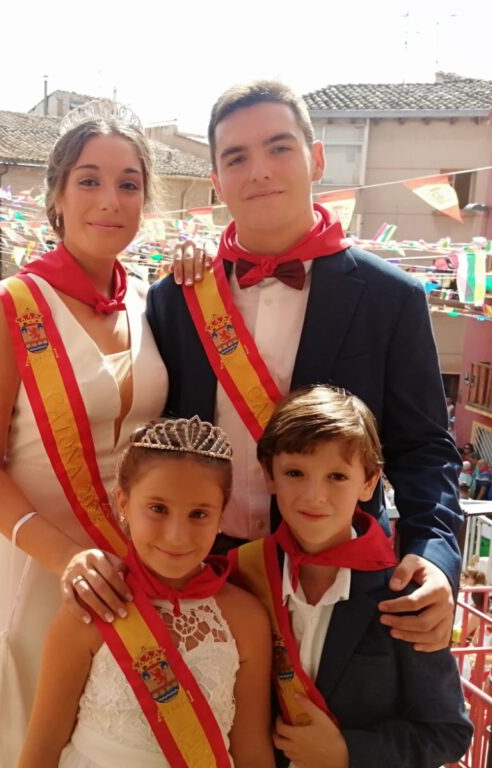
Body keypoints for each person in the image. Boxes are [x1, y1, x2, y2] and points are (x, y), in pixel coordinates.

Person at [145, 80, 462, 652]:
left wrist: (434, 555)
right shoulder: (177, 297)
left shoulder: (391, 297)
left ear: (316, 159)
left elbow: (424, 449)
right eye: (236, 158)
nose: (260, 170)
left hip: (339, 578)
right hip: (199, 569)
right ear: (217, 181)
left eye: (279, 148)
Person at [0, 105, 169, 765]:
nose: (109, 200)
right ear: (57, 195)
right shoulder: (9, 308)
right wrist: (67, 558)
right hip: (31, 563)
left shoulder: (152, 302)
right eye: (89, 180)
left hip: (131, 560)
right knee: (26, 732)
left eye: (128, 183)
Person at [230, 385, 472, 766]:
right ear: (268, 474)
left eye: (337, 477)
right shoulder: (242, 573)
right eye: (295, 472)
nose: (314, 495)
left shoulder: (403, 597)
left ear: (370, 481)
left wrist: (347, 752)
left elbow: (447, 732)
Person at [20, 418, 274, 766]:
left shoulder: (246, 618)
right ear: (123, 503)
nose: (177, 536)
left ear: (221, 516)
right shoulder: (91, 607)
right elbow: (43, 747)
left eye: (199, 514)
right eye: (158, 509)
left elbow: (253, 752)